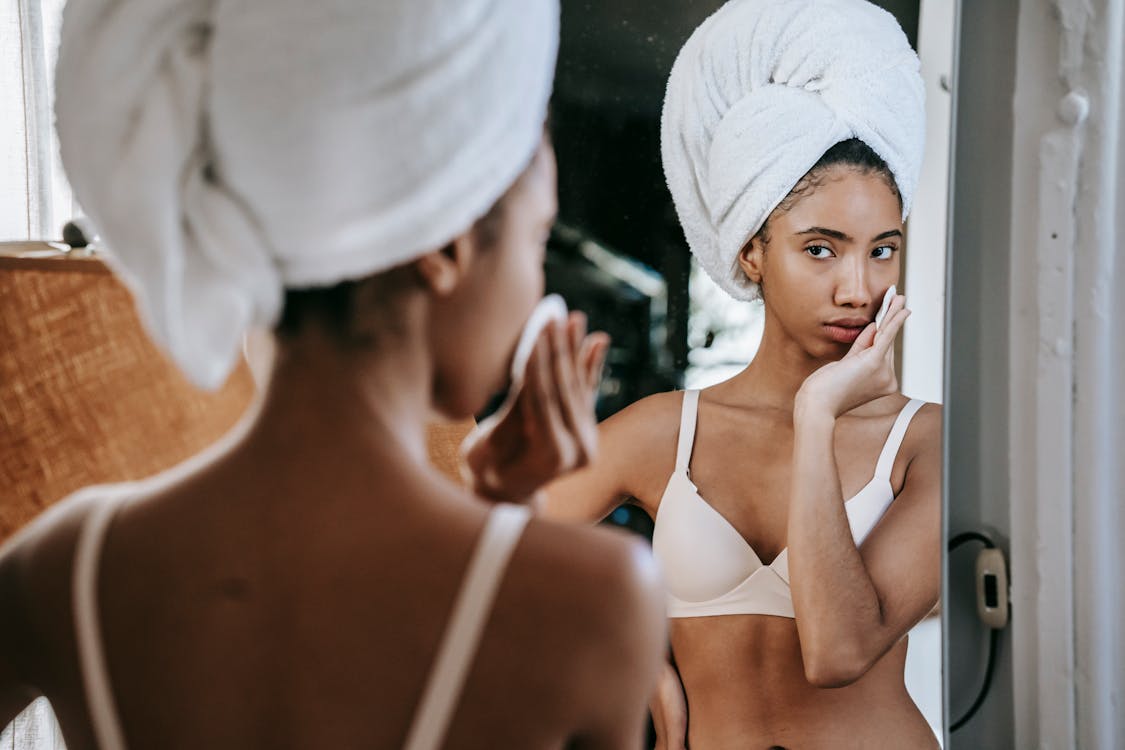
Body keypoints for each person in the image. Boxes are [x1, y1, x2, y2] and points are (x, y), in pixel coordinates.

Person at [0, 1, 666, 748]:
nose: (536, 288)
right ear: (445, 247)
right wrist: (507, 519)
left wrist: (497, 504)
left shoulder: (67, 567)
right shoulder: (598, 599)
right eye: (536, 235)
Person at [543, 1, 941, 747]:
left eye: (881, 249)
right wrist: (623, 657)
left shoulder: (922, 442)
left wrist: (817, 417)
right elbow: (476, 554)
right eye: (820, 249)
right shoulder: (665, 431)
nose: (859, 288)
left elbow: (836, 652)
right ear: (751, 253)